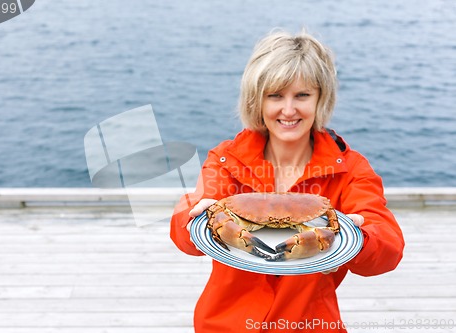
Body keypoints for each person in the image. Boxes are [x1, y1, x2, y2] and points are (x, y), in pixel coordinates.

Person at [170, 30, 404, 333]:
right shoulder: (227, 159)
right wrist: (193, 218)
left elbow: (388, 247)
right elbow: (186, 226)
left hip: (310, 324)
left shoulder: (351, 169)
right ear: (257, 100)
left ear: (322, 98)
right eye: (276, 95)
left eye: (303, 95)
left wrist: (360, 241)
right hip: (225, 323)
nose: (289, 110)